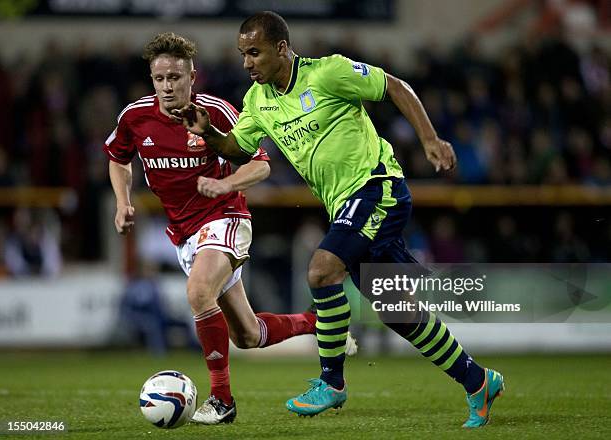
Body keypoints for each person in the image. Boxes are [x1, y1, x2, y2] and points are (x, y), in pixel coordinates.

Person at [171, 12, 505, 428]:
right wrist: (209, 136)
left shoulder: (329, 73)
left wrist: (429, 139)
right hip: (345, 208)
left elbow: (395, 87)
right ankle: (479, 381)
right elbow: (239, 148)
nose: (247, 63)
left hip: (377, 187)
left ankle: (332, 382)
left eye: (254, 53)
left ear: (281, 49)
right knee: (396, 310)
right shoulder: (257, 101)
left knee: (321, 271)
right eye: (242, 55)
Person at [105, 32, 325, 425]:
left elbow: (261, 164)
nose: (167, 86)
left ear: (193, 76)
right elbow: (119, 158)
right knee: (248, 335)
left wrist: (226, 184)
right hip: (184, 234)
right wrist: (123, 201)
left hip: (226, 219)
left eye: (175, 77)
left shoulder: (217, 112)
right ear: (151, 80)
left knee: (197, 291)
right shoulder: (135, 117)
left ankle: (222, 400)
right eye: (160, 79)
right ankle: (318, 321)